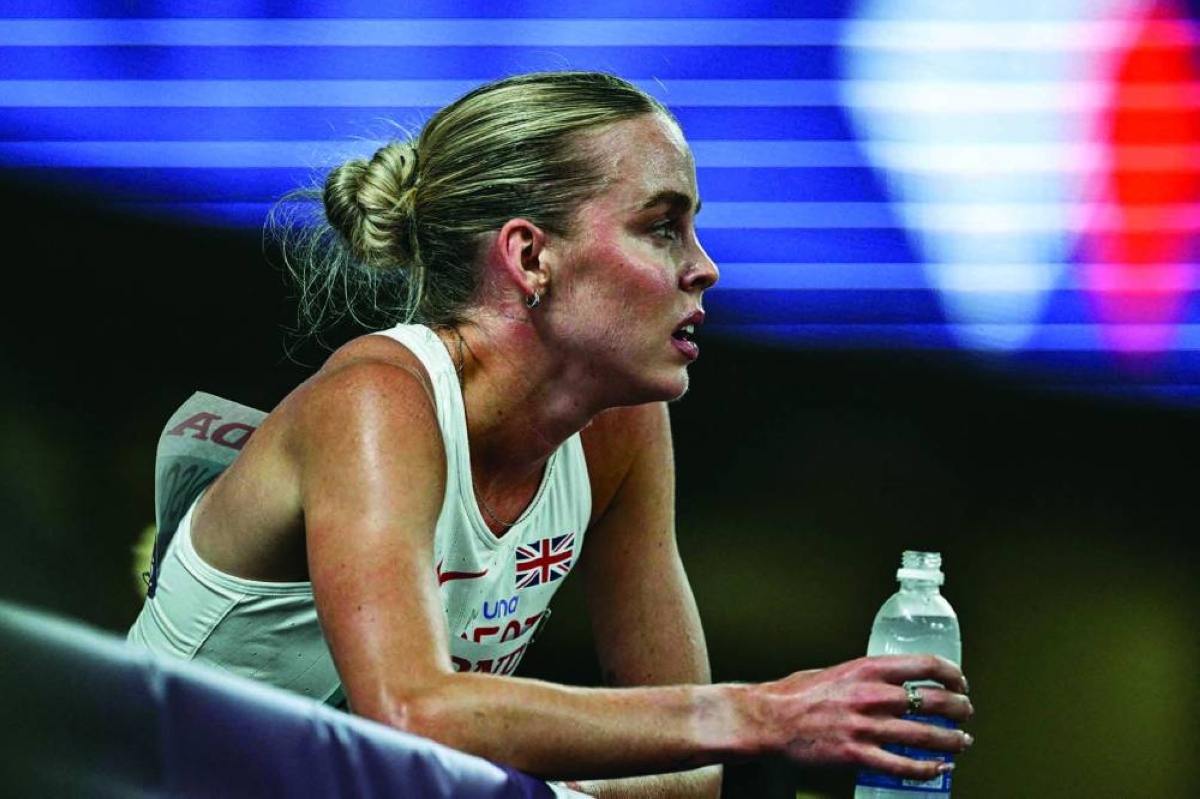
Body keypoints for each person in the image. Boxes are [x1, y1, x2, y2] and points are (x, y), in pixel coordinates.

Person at [127, 71, 972, 798]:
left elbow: (687, 775)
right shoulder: (377, 398)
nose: (704, 266)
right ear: (531, 257)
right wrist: (763, 712)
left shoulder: (622, 427)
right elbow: (411, 711)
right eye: (662, 226)